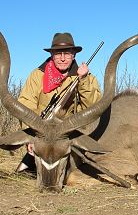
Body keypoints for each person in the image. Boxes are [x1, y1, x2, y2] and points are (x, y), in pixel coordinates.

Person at [16, 32, 101, 172]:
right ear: (52, 55)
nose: (62, 58)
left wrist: (83, 80)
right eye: (58, 53)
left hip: (68, 136)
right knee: (23, 173)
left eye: (67, 53)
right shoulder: (37, 75)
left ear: (74, 54)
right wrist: (31, 138)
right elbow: (25, 105)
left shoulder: (85, 77)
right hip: (41, 135)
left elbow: (93, 107)